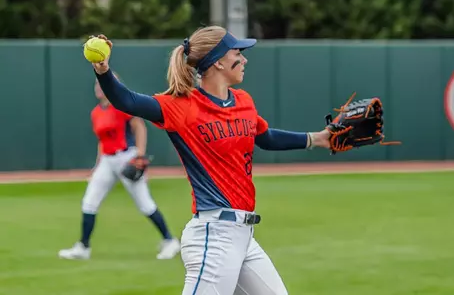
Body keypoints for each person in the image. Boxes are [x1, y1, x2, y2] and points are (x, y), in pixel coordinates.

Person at [88, 26, 331, 295]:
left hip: (244, 237)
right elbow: (127, 101)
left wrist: (318, 138)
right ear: (218, 61)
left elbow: (265, 137)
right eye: (238, 53)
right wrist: (103, 70)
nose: (245, 59)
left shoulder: (243, 101)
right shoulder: (181, 106)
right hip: (213, 237)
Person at [58, 74, 181, 260]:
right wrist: (97, 164)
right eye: (96, 85)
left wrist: (140, 154)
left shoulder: (120, 107)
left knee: (145, 204)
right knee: (90, 201)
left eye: (102, 84)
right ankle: (83, 247)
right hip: (107, 160)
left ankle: (170, 241)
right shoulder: (96, 112)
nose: (98, 88)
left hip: (126, 157)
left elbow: (139, 127)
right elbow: (102, 141)